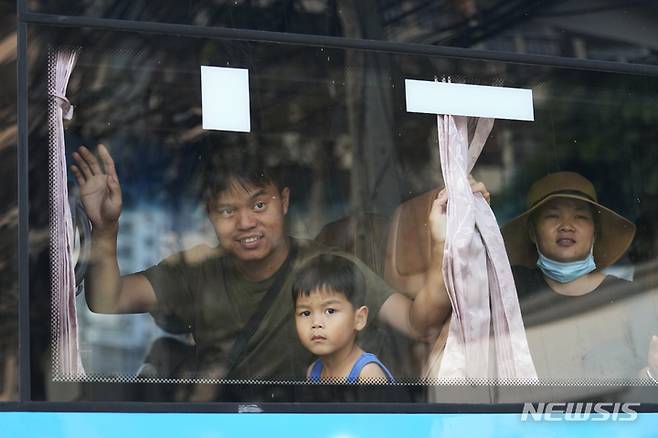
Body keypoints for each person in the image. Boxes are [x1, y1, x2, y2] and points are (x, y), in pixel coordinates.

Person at [70, 141, 480, 385]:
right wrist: (105, 228)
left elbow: (419, 322)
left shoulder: (328, 267)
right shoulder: (195, 273)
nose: (246, 222)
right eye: (227, 211)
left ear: (283, 201)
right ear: (209, 216)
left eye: (259, 204)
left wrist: (444, 239)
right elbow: (108, 300)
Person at [501, 171, 658, 381]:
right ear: (532, 231)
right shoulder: (508, 290)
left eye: (580, 217)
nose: (567, 226)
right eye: (552, 216)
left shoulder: (626, 296)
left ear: (595, 232)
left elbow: (646, 381)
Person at [292, 254, 394, 383]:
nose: (316, 323)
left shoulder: (367, 374)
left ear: (359, 319)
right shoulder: (314, 372)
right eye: (306, 313)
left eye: (330, 311)